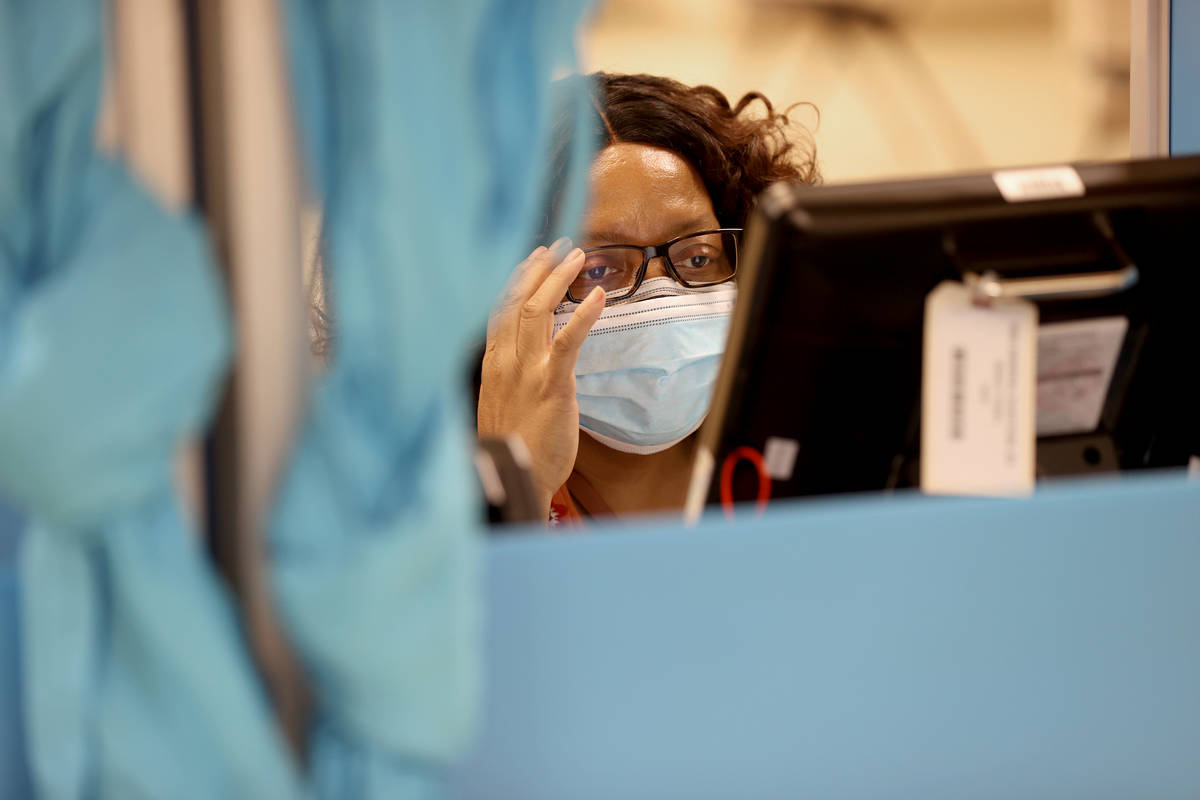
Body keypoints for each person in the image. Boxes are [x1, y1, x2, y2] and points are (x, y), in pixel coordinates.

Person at [477, 72, 819, 524]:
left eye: (698, 258)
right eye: (598, 269)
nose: (663, 295)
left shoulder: (795, 453)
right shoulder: (429, 502)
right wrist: (518, 485)